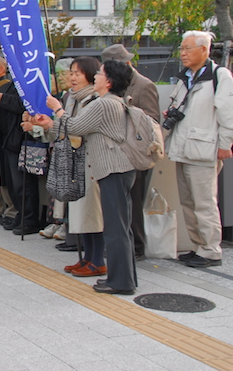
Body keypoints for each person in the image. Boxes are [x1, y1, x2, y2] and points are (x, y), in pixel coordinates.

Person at [34, 60, 137, 294]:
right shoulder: (109, 102)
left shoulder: (105, 104)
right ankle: (124, 278)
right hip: (115, 168)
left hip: (113, 169)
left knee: (116, 228)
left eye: (99, 74)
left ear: (108, 81)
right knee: (119, 226)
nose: (96, 77)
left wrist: (57, 109)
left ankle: (120, 281)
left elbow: (76, 126)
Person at [165, 30, 233, 268]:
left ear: (204, 49)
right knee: (188, 201)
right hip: (182, 146)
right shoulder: (186, 76)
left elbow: (228, 114)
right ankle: (197, 246)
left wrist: (225, 145)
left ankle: (211, 249)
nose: (183, 53)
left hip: (204, 149)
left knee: (204, 202)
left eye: (187, 49)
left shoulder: (219, 75)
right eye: (181, 49)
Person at [40, 57, 105, 276]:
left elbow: (77, 128)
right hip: (73, 163)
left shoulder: (95, 101)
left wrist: (57, 113)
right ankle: (87, 258)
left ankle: (97, 260)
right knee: (79, 212)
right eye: (72, 73)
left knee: (92, 213)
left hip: (90, 163)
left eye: (78, 73)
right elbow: (62, 129)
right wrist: (47, 125)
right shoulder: (71, 99)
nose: (73, 77)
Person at [101, 44, 160, 260]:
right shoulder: (110, 86)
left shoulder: (144, 85)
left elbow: (152, 121)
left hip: (136, 153)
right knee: (119, 203)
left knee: (134, 201)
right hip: (114, 154)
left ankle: (137, 247)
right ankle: (121, 245)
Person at [0, 56, 38, 234]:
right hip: (7, 138)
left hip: (20, 138)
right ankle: (21, 216)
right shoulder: (11, 84)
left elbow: (25, 105)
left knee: (23, 183)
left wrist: (2, 99)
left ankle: (29, 219)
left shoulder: (27, 83)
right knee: (13, 183)